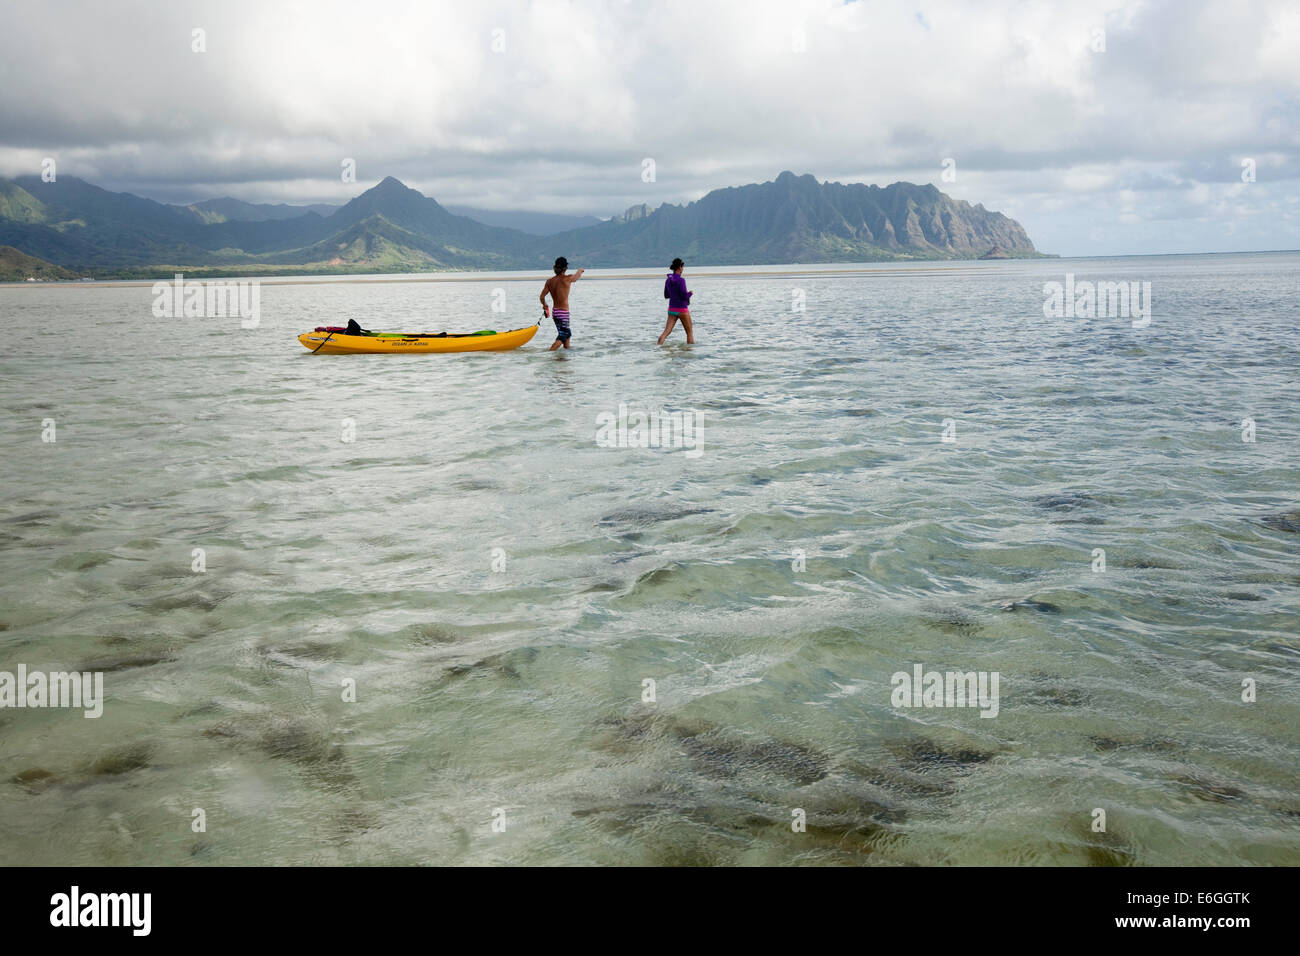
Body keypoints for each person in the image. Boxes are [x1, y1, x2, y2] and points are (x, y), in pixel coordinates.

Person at [540, 256, 584, 350]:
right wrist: (580, 270)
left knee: (566, 334)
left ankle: (565, 357)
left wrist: (544, 305)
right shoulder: (567, 279)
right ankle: (549, 352)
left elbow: (542, 297)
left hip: (555, 312)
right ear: (565, 268)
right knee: (565, 334)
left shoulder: (550, 281)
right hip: (563, 312)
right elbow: (576, 277)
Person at [659, 257, 694, 344]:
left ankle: (658, 347)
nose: (683, 269)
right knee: (689, 333)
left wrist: (674, 294)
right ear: (679, 268)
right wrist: (690, 293)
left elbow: (666, 295)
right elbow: (684, 296)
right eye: (682, 267)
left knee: (666, 332)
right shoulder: (681, 280)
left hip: (672, 310)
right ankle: (690, 354)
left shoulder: (668, 280)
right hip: (682, 309)